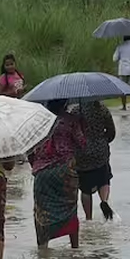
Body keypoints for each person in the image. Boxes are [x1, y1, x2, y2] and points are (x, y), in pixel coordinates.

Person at [30, 100, 85, 248]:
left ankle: (43, 249)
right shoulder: (71, 121)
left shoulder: (37, 122)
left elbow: (28, 148)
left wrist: (35, 166)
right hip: (65, 171)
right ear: (65, 103)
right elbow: (82, 144)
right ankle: (75, 248)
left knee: (42, 211)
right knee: (70, 209)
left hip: (42, 173)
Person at [76, 100, 117, 222]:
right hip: (100, 152)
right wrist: (103, 141)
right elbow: (111, 132)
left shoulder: (76, 111)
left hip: (82, 152)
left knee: (85, 188)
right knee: (103, 179)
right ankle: (104, 201)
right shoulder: (102, 109)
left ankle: (88, 218)